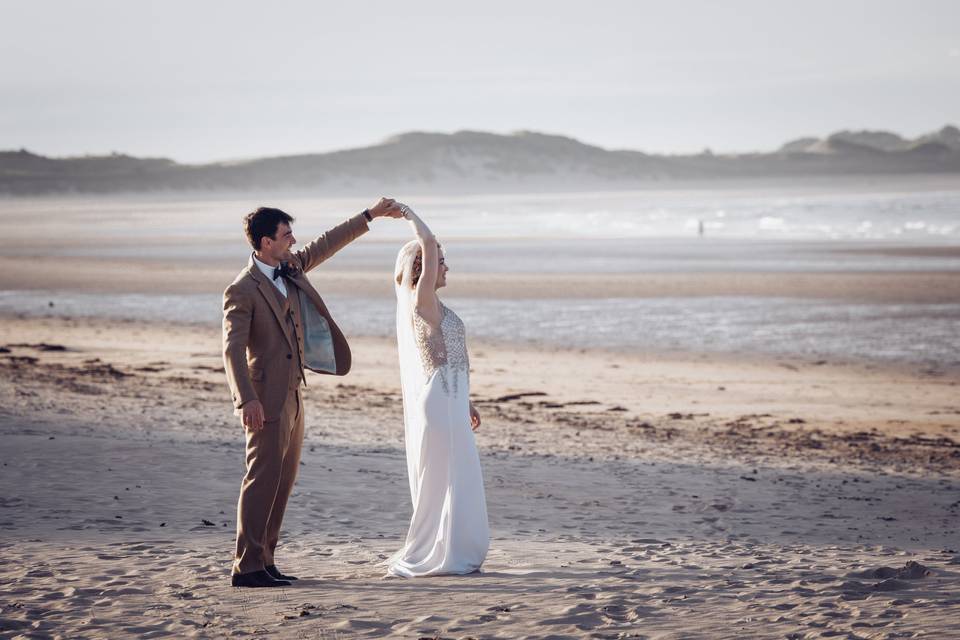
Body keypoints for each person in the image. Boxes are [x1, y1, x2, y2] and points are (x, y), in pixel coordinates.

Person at [222, 198, 404, 588]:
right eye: (286, 235)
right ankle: (247, 565)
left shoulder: (289, 267)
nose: (293, 240)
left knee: (282, 482)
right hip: (264, 398)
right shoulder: (242, 289)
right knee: (261, 479)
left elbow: (326, 244)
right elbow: (232, 348)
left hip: (295, 394)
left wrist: (369, 215)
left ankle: (265, 559)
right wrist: (246, 399)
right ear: (266, 242)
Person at [388, 202, 489, 577]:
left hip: (450, 400)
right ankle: (443, 553)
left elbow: (450, 357)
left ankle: (453, 548)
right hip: (441, 401)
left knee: (456, 474)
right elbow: (427, 243)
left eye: (442, 262)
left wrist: (467, 401)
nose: (445, 266)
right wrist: (409, 215)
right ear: (423, 270)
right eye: (440, 262)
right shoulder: (423, 300)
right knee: (449, 476)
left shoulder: (437, 305)